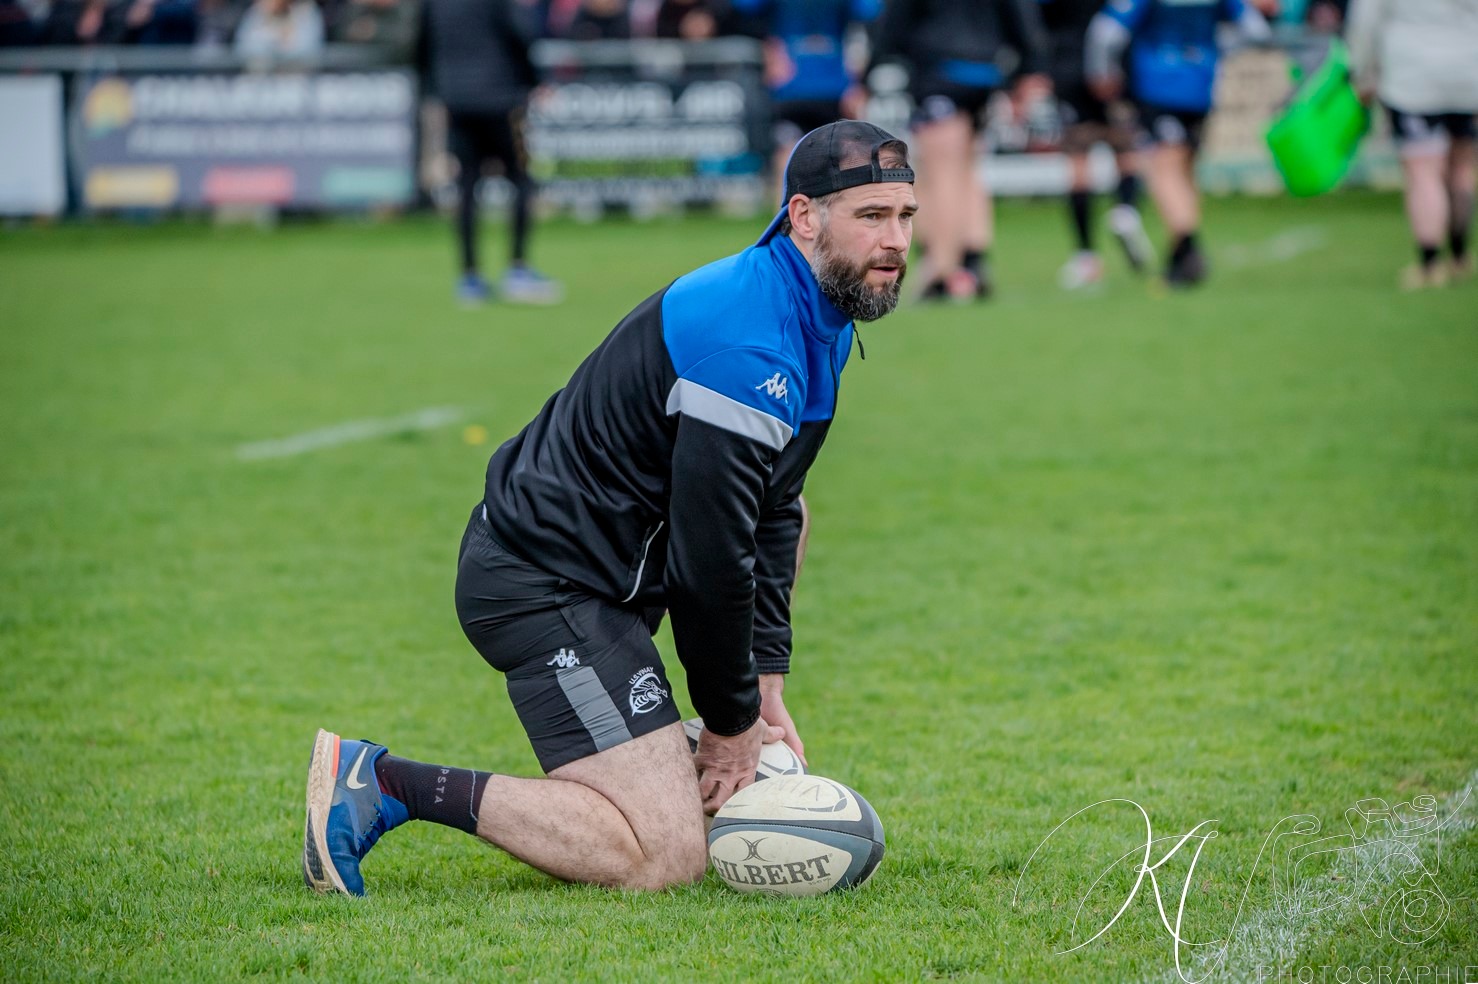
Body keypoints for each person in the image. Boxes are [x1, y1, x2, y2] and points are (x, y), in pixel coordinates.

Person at [301, 120, 916, 896]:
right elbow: (710, 558)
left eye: (904, 218)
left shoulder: (820, 312)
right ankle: (383, 782)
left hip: (607, 581)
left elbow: (776, 507)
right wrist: (729, 730)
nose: (894, 240)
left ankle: (665, 751)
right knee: (662, 857)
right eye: (871, 217)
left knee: (698, 784)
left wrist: (765, 683)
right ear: (803, 216)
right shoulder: (747, 335)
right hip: (541, 581)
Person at [868, 0, 1051, 301]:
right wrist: (1030, 69)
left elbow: (894, 21)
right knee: (967, 168)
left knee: (940, 174)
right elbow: (1020, 16)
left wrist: (871, 70)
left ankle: (941, 270)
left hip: (939, 70)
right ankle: (974, 262)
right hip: (985, 73)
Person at [1085, 0, 1270, 287]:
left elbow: (1106, 32)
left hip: (1157, 84)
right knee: (1184, 168)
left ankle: (1187, 248)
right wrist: (1218, 50)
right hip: (1201, 84)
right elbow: (1255, 31)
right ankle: (1180, 253)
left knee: (1164, 168)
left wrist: (1101, 72)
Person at [417, 0, 562, 305]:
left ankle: (469, 277)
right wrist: (534, 81)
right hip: (501, 100)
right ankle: (517, 271)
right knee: (521, 179)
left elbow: (422, 44)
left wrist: (439, 88)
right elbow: (519, 34)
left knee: (467, 187)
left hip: (457, 101)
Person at [1347, 0, 1478, 289]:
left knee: (1423, 172)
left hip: (1414, 79)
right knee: (1462, 165)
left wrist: (1360, 70)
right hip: (1469, 74)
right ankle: (1459, 256)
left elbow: (1365, 22)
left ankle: (1430, 264)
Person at [1041, 0, 1153, 289]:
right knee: (1126, 150)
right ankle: (1126, 210)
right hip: (1115, 70)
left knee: (1078, 162)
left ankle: (1086, 255)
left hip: (1069, 68)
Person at [731, 0, 882, 204]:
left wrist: (858, 82)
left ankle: (820, 223)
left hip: (829, 88)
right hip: (799, 87)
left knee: (838, 158)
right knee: (792, 155)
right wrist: (769, 49)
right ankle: (788, 224)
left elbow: (871, 18)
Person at [233, 0, 323, 57]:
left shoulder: (305, 11)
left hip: (297, 80)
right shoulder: (255, 14)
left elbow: (307, 53)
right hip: (260, 80)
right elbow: (244, 51)